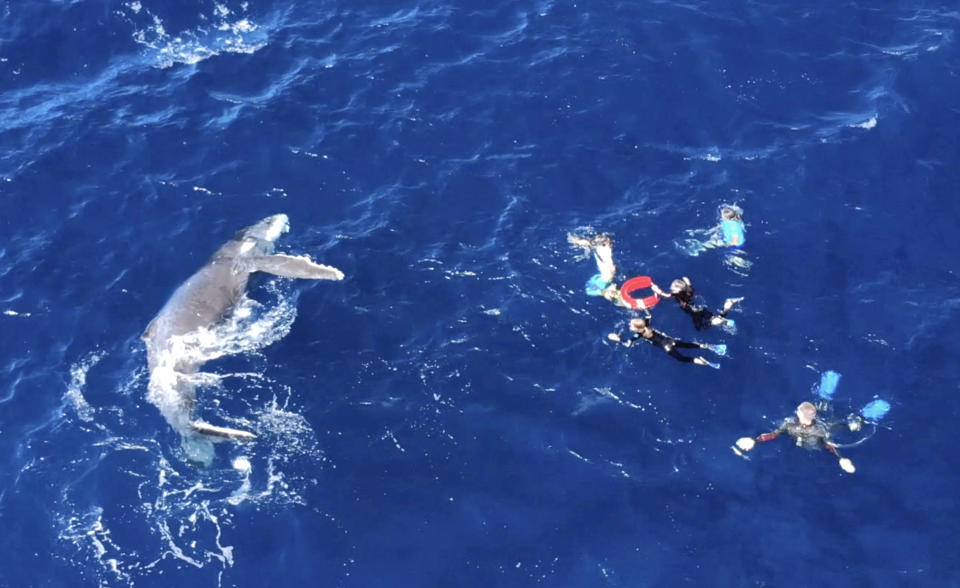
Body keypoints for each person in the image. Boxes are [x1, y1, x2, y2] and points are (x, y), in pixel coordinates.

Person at [735, 401, 863, 473]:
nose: (795, 412)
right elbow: (775, 434)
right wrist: (754, 440)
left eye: (798, 411)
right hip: (806, 439)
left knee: (850, 425)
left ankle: (863, 418)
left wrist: (840, 458)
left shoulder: (819, 430)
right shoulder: (790, 423)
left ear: (801, 415)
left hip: (816, 446)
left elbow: (828, 445)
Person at [608, 317, 725, 368]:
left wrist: (618, 339)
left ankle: (704, 362)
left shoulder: (638, 334)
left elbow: (629, 343)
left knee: (684, 359)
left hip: (667, 347)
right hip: (671, 340)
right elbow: (649, 315)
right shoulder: (647, 324)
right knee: (688, 345)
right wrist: (643, 306)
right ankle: (707, 346)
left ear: (637, 329)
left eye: (631, 326)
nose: (630, 326)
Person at [651, 277, 742, 330]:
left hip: (694, 312)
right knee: (712, 316)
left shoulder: (676, 295)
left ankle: (714, 323)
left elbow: (665, 295)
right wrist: (685, 280)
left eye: (673, 289)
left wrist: (656, 290)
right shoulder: (690, 289)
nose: (672, 290)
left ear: (677, 291)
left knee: (700, 328)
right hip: (700, 308)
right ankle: (727, 306)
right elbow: (686, 280)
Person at [568, 233, 632, 307]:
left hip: (605, 278)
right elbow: (589, 290)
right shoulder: (607, 275)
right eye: (608, 245)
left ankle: (586, 243)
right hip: (605, 280)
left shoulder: (607, 270)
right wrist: (603, 292)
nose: (610, 247)